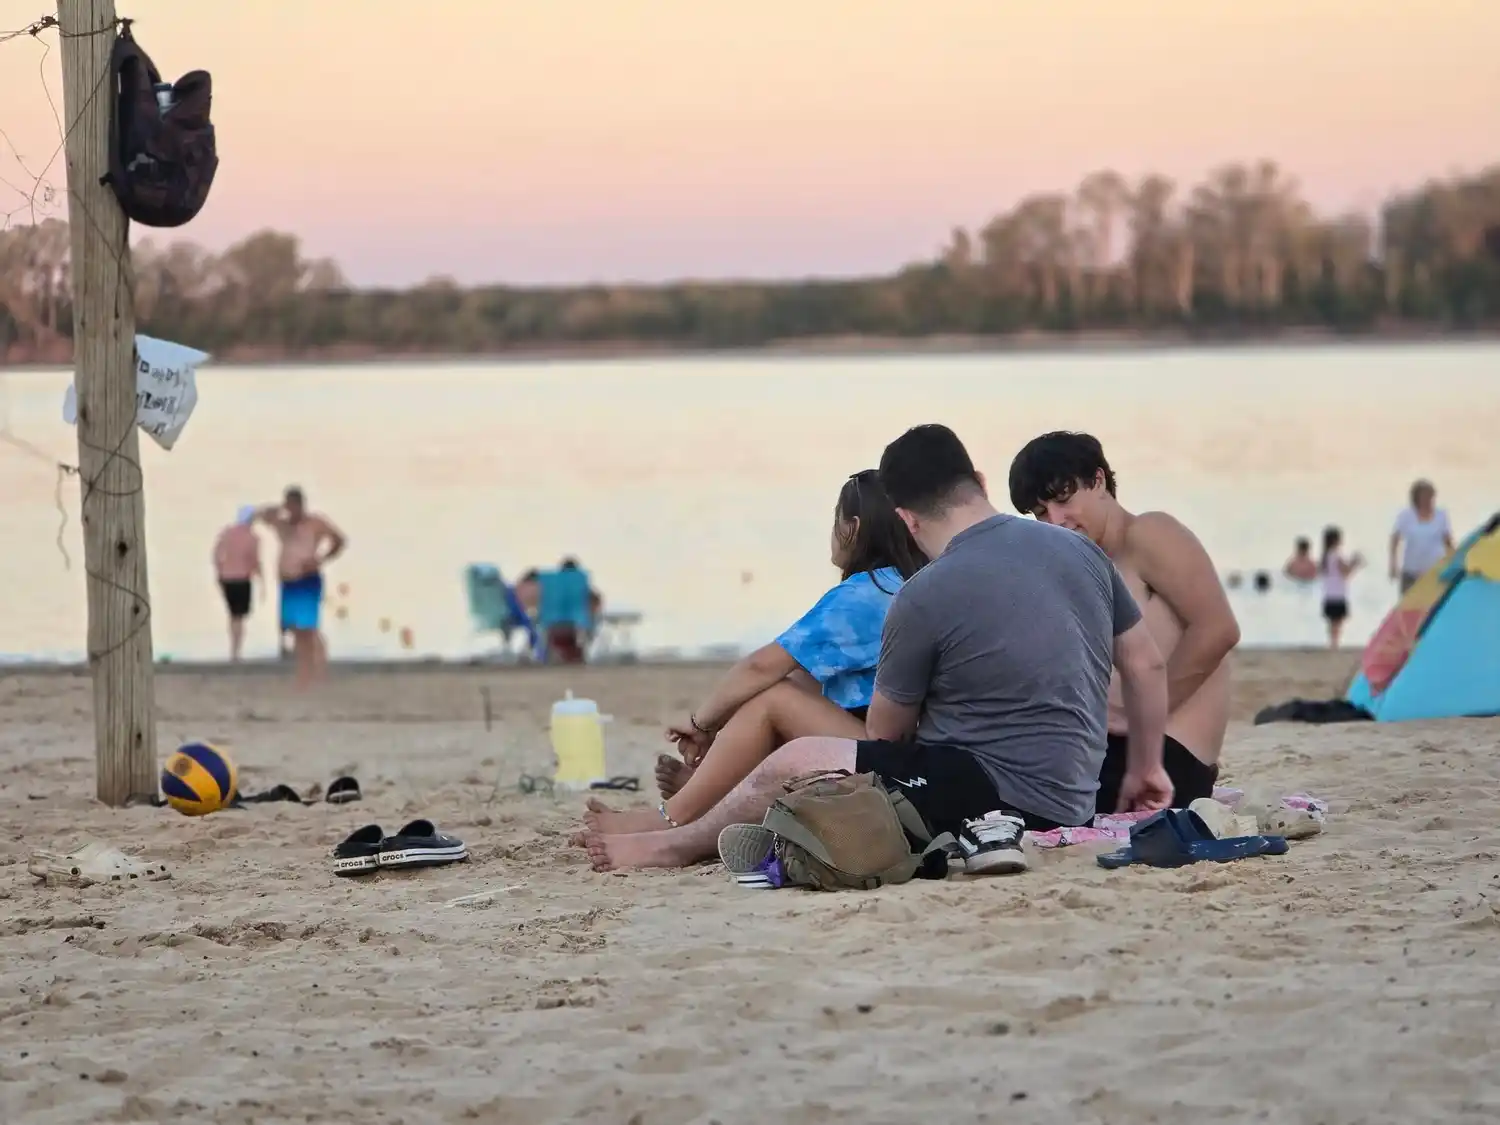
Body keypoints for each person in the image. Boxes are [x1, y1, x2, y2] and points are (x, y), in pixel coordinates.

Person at [581, 425, 1170, 875]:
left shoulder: (926, 592)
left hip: (993, 796)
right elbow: (1145, 663)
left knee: (798, 759)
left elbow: (886, 738)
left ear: (908, 519)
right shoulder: (1081, 553)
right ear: (981, 484)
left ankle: (670, 845)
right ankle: (712, 824)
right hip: (1075, 793)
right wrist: (1146, 768)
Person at [582, 469, 926, 840]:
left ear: (853, 527)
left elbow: (761, 664)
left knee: (773, 698)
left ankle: (672, 817)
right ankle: (718, 790)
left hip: (896, 764)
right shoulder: (909, 583)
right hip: (911, 750)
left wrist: (701, 724)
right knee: (795, 681)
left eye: (835, 519)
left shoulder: (865, 594)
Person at [1008, 431, 1240, 814]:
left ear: (1098, 481)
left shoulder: (1150, 533)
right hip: (1106, 747)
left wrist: (1136, 715)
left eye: (1064, 500)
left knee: (1019, 795)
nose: (1056, 521)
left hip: (1170, 754)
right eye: (1041, 513)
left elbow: (1218, 629)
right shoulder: (1078, 567)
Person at [256, 486, 346, 688]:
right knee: (295, 629)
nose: (291, 509)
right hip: (288, 581)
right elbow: (258, 514)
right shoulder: (282, 524)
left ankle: (314, 673)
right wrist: (280, 509)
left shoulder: (315, 523)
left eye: (294, 505)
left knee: (308, 629)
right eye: (288, 505)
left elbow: (339, 540)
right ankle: (307, 674)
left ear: (301, 504)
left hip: (306, 578)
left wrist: (321, 559)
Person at [212, 505, 262, 662]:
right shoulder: (253, 537)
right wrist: (261, 579)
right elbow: (254, 560)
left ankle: (233, 649)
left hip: (227, 577)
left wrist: (219, 571)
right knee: (239, 616)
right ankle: (236, 650)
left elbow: (216, 553)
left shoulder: (227, 532)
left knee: (233, 614)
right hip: (243, 578)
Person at [1389, 480, 1454, 593]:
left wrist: (1453, 561)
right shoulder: (1406, 515)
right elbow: (1395, 539)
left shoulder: (1441, 515)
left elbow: (1447, 540)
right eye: (1425, 496)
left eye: (1431, 496)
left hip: (1435, 571)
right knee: (1410, 608)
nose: (1429, 500)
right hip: (1411, 572)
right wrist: (1393, 564)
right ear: (1417, 498)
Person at [1319, 525, 1362, 649]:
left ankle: (1332, 642)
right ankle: (1335, 644)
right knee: (1338, 622)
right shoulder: (1337, 555)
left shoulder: (1325, 557)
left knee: (1332, 622)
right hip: (1338, 593)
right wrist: (1355, 563)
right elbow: (1345, 573)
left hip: (1328, 593)